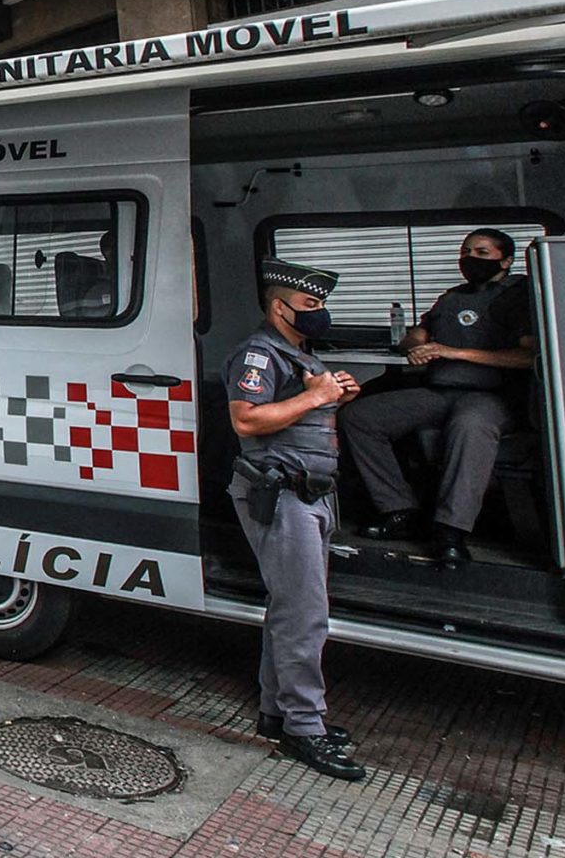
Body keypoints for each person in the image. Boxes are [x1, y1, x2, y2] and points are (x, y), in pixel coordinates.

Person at [224, 258, 367, 782]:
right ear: (279, 307)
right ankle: (305, 727)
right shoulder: (259, 354)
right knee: (305, 615)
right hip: (280, 494)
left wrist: (334, 396)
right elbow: (246, 419)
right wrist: (317, 395)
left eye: (322, 304)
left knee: (290, 609)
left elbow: (305, 414)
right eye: (310, 305)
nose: (320, 312)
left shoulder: (300, 354)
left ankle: (277, 712)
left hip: (312, 495)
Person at [341, 228, 537, 569]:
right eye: (466, 251)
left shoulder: (516, 296)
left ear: (505, 260)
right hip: (439, 392)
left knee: (470, 426)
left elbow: (526, 357)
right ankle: (399, 509)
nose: (471, 259)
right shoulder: (451, 297)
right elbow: (418, 332)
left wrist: (454, 352)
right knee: (360, 417)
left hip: (489, 396)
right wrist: (416, 345)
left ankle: (450, 531)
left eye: (482, 252)